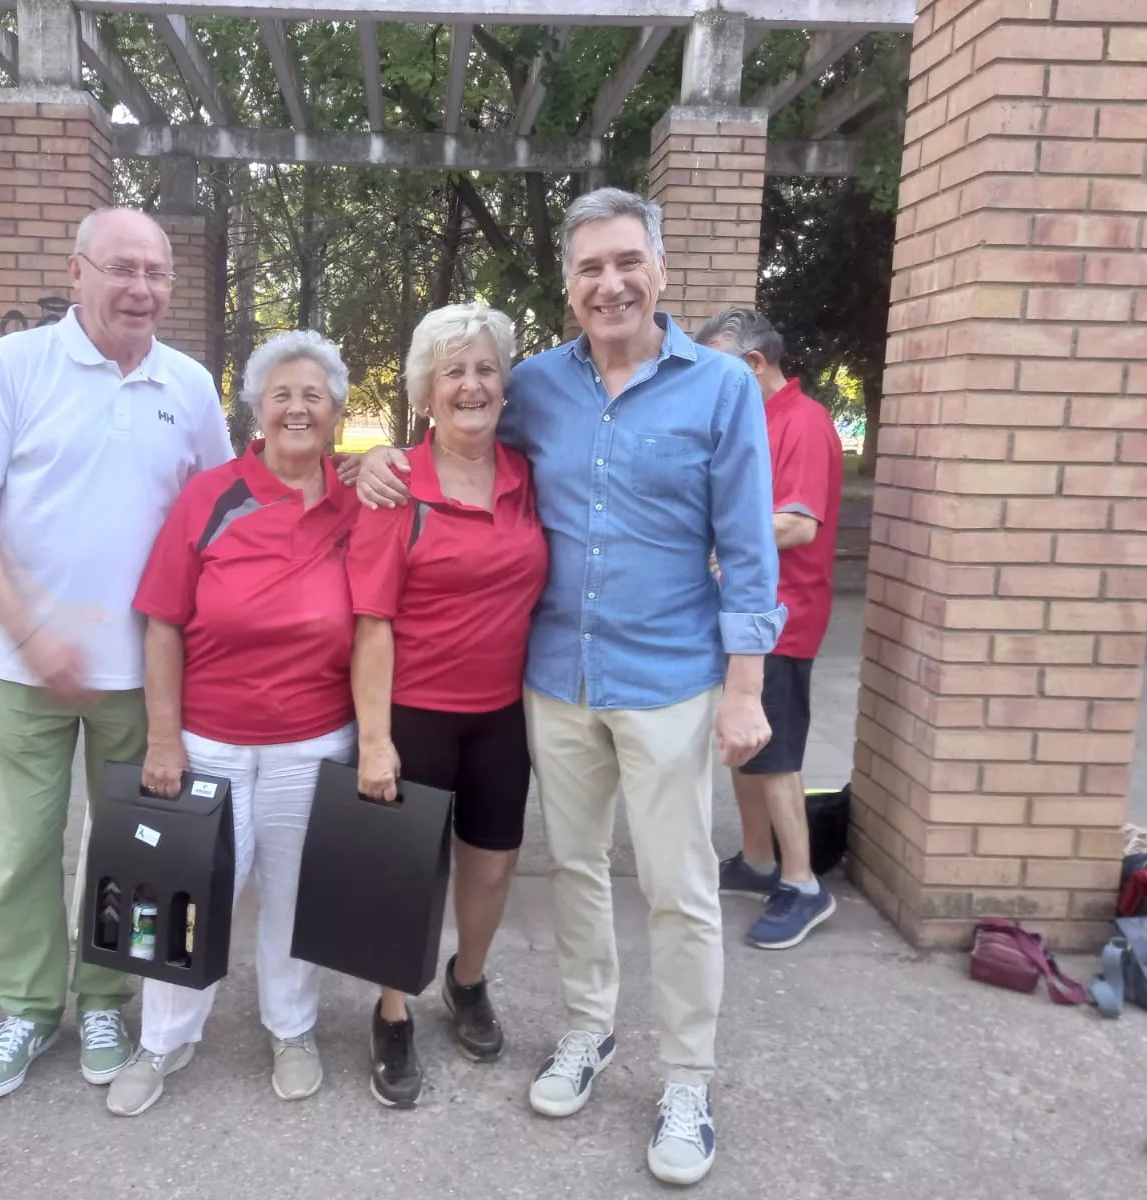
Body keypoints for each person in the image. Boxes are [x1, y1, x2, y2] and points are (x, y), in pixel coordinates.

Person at [356, 189, 782, 1186]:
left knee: (677, 887)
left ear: (660, 272)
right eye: (590, 268)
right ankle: (589, 1030)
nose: (611, 283)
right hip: (553, 679)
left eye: (627, 262)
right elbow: (438, 438)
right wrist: (368, 462)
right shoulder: (535, 384)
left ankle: (686, 1076)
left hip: (670, 679)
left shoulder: (720, 389)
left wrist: (745, 686)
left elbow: (750, 551)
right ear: (568, 285)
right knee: (577, 869)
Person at [0, 208, 233, 1101]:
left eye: (157, 273)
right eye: (122, 269)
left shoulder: (191, 384)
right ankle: (28, 1008)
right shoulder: (14, 367)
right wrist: (31, 634)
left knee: (130, 854)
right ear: (77, 272)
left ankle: (104, 997)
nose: (141, 288)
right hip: (21, 669)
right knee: (25, 849)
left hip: (141, 677)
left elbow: (222, 517)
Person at [107, 330, 360, 1116]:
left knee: (292, 897)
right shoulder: (212, 494)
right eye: (281, 393)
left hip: (315, 739)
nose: (296, 407)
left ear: (336, 413)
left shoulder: (359, 503)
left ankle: (292, 1028)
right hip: (209, 739)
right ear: (256, 408)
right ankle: (164, 1040)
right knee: (184, 898)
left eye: (312, 395)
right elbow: (161, 624)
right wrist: (161, 737)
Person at [347, 304, 548, 1109]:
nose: (472, 385)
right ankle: (392, 1008)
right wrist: (373, 740)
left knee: (494, 863)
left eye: (485, 369)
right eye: (453, 372)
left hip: (500, 713)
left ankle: (467, 981)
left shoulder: (528, 476)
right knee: (408, 871)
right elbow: (372, 621)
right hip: (415, 712)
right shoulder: (396, 485)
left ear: (505, 385)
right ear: (427, 392)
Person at [698, 309, 843, 950]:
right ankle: (758, 861)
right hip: (746, 615)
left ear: (754, 363)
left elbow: (800, 522)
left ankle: (802, 882)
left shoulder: (803, 422)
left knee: (777, 754)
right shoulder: (758, 419)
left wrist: (723, 542)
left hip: (784, 615)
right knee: (744, 744)